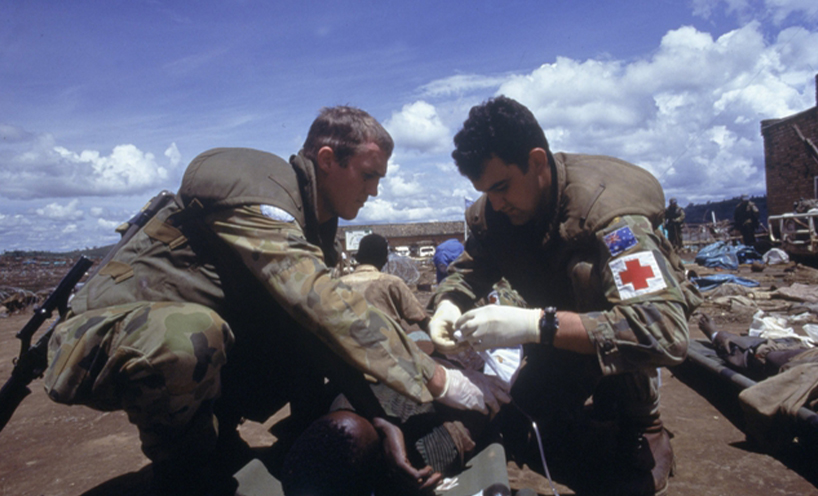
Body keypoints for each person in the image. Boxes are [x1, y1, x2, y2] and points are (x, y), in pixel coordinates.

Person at [43, 106, 506, 495]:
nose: (374, 191)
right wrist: (440, 379)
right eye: (368, 175)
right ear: (327, 159)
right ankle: (185, 469)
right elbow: (321, 300)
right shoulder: (252, 181)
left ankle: (238, 446)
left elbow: (323, 334)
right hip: (104, 339)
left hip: (186, 347)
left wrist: (381, 420)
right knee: (192, 332)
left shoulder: (314, 230)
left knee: (303, 336)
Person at [428, 96, 703, 495]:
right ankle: (590, 397)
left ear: (537, 161)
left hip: (602, 327)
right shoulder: (497, 212)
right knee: (528, 411)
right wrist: (449, 303)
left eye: (502, 187)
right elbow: (472, 268)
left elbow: (662, 332)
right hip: (555, 337)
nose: (497, 203)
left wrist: (535, 324)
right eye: (487, 192)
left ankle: (644, 419)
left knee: (587, 276)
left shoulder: (610, 213)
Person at [341, 233, 432, 353]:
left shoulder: (338, 284)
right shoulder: (391, 282)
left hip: (349, 352)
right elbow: (419, 317)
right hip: (388, 354)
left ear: (359, 257)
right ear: (384, 259)